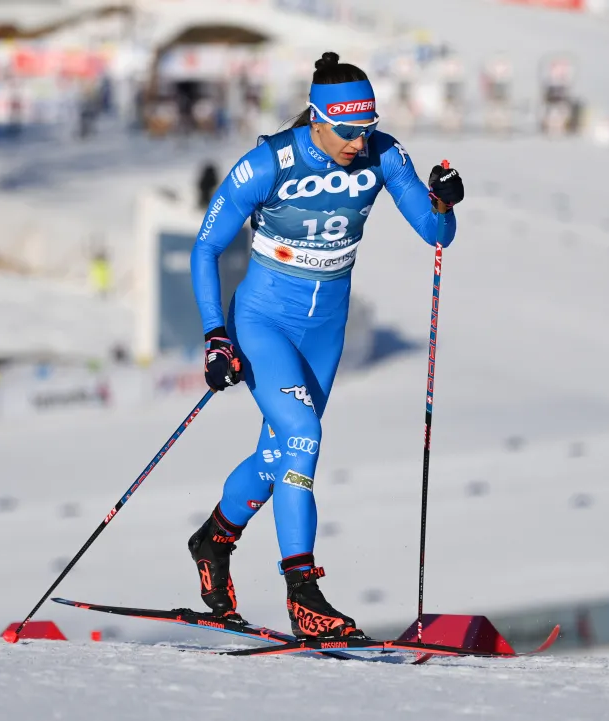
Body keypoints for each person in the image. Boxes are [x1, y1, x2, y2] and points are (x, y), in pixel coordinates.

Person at [188, 51, 465, 639]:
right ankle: (303, 593)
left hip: (324, 330)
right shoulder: (269, 162)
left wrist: (444, 202)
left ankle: (213, 541)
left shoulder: (384, 154)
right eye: (345, 131)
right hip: (263, 321)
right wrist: (216, 334)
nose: (356, 142)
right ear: (316, 119)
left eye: (366, 129)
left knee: (279, 454)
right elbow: (205, 248)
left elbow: (436, 233)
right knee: (305, 436)